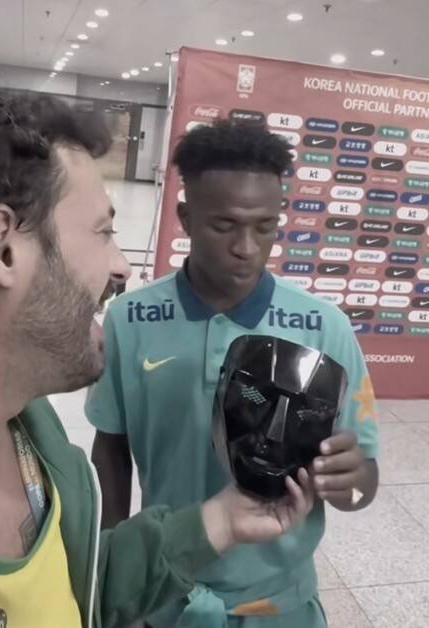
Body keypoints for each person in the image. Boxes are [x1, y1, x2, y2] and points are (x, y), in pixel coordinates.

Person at [0, 81, 315, 628]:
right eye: (104, 232)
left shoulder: (41, 446)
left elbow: (74, 588)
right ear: (1, 247)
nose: (122, 266)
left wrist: (221, 521)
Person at [87, 122, 380, 628]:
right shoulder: (130, 319)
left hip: (281, 606)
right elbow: (111, 450)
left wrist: (352, 482)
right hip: (163, 594)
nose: (246, 247)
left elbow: (362, 483)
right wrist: (114, 581)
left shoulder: (323, 326)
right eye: (224, 225)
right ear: (186, 218)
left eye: (265, 227)